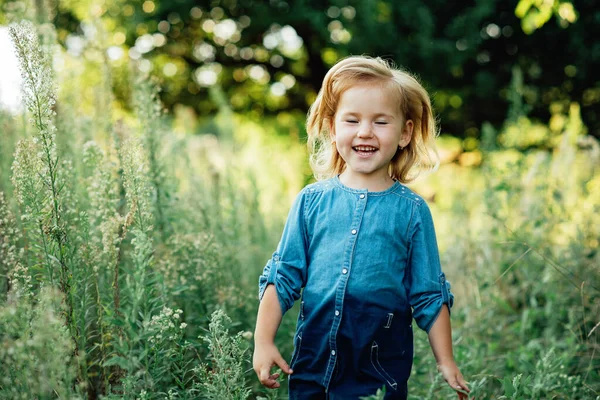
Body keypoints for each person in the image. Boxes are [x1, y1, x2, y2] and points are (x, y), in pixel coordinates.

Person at [253, 55, 470, 400]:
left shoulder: (412, 211)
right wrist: (263, 342)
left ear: (405, 133)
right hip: (314, 359)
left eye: (381, 122)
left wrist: (447, 361)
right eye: (352, 120)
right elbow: (283, 277)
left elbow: (428, 294)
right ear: (332, 127)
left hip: (380, 364)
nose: (365, 132)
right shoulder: (311, 202)